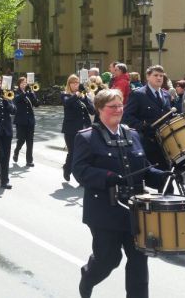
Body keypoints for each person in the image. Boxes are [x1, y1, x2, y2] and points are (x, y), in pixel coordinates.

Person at [73, 88, 171, 298]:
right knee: (109, 260)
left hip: (136, 210)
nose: (118, 110)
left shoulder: (133, 135)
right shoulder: (87, 137)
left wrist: (165, 176)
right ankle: (88, 276)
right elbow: (80, 171)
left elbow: (144, 169)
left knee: (139, 261)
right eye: (113, 106)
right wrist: (107, 177)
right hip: (104, 211)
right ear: (99, 109)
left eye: (120, 105)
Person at [122, 65, 174, 173]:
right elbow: (127, 117)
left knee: (166, 173)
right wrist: (143, 126)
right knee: (149, 174)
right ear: (148, 77)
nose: (159, 78)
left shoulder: (166, 95)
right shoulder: (138, 94)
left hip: (165, 143)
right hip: (147, 142)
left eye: (161, 76)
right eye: (155, 75)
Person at [61, 74, 95, 182]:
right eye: (74, 83)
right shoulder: (65, 95)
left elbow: (92, 111)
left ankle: (81, 176)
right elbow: (67, 103)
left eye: (77, 82)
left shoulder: (83, 96)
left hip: (85, 129)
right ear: (69, 84)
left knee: (85, 153)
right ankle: (67, 168)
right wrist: (77, 94)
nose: (76, 85)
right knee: (73, 152)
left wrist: (85, 98)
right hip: (71, 129)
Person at [12, 76, 39, 167]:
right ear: (19, 84)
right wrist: (25, 93)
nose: (24, 84)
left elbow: (36, 104)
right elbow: (16, 100)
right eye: (22, 83)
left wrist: (32, 93)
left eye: (25, 83)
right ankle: (16, 151)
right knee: (21, 139)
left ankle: (29, 161)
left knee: (30, 141)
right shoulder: (16, 92)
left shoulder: (30, 92)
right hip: (20, 120)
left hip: (30, 120)